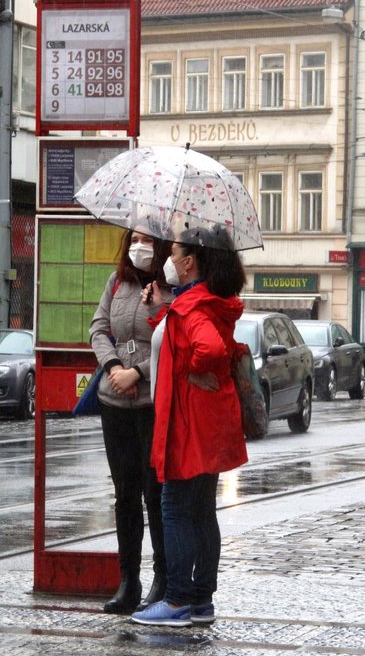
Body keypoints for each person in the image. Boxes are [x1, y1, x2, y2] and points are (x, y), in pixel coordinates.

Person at [131, 236, 249, 628]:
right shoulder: (202, 301)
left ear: (189, 263)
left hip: (189, 424)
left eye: (174, 253)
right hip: (208, 423)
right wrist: (162, 309)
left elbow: (210, 349)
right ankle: (201, 600)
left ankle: (178, 600)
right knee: (201, 511)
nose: (168, 258)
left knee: (175, 508)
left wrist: (191, 372)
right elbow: (190, 339)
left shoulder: (193, 307)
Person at [89, 229, 173, 614]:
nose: (140, 245)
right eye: (135, 238)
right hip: (114, 399)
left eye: (148, 240)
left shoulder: (167, 287)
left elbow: (171, 336)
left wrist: (138, 372)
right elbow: (97, 328)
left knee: (154, 494)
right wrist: (113, 367)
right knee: (125, 494)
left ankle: (163, 578)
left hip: (151, 402)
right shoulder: (118, 280)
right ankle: (128, 581)